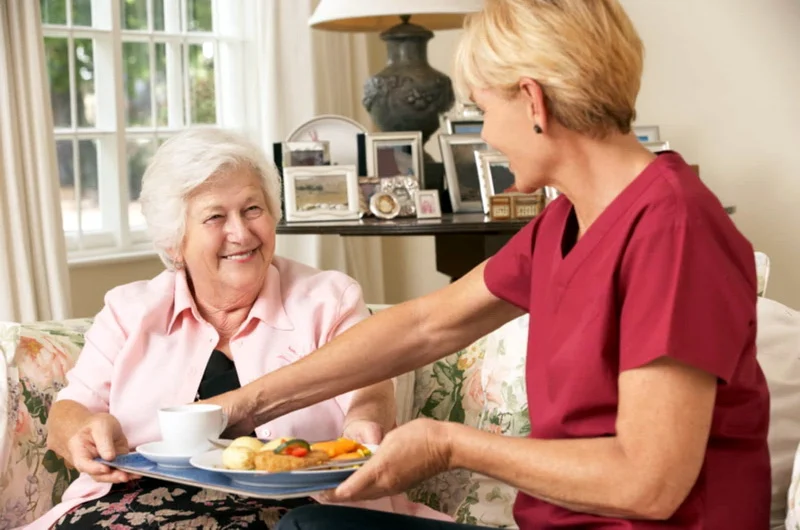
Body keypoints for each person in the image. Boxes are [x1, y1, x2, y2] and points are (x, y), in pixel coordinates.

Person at [207, 1, 772, 529]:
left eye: (480, 109)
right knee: (315, 523)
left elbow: (651, 484)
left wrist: (450, 445)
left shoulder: (674, 228)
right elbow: (426, 324)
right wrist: (244, 405)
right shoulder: (567, 220)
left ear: (533, 101)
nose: (483, 135)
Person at [31, 128, 448, 529]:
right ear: (176, 243)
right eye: (215, 217)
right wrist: (83, 433)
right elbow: (70, 411)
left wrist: (365, 425)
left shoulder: (327, 299)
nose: (242, 233)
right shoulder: (129, 310)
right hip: (132, 504)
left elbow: (368, 387)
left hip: (294, 506)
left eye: (253, 209)